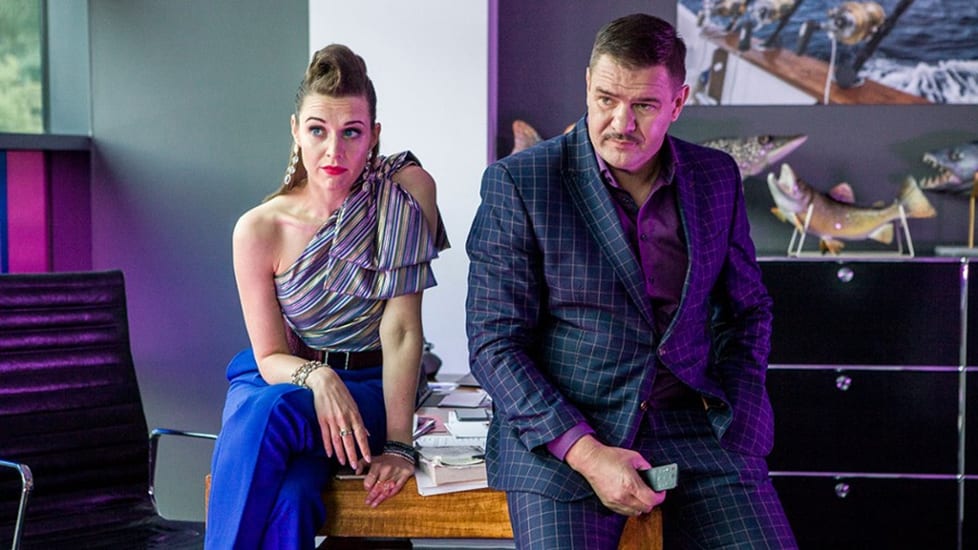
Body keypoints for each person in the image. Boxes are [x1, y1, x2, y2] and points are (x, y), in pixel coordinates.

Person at [465, 13, 796, 549]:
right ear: (587, 85)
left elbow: (747, 310)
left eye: (643, 105)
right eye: (606, 99)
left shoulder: (716, 176)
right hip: (567, 438)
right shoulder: (520, 182)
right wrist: (585, 451)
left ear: (678, 103)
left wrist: (742, 408)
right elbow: (493, 343)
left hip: (699, 429)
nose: (621, 123)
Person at [206, 44, 448, 549]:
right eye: (318, 130)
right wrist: (318, 377)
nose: (333, 151)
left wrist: (399, 445)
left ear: (374, 135)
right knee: (291, 496)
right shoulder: (258, 229)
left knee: (270, 413)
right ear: (296, 130)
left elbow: (402, 330)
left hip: (372, 387)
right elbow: (269, 356)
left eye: (351, 132)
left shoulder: (403, 194)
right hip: (285, 378)